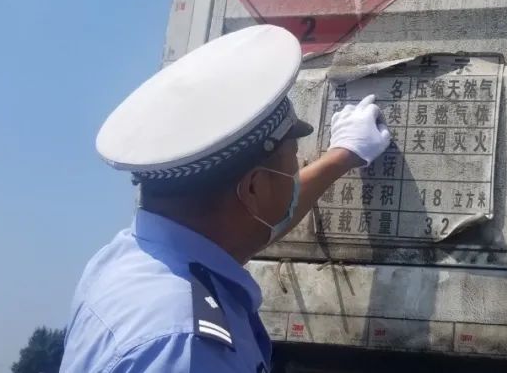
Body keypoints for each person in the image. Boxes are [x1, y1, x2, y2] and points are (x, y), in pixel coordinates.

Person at [60, 25, 392, 372]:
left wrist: (343, 156)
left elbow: (250, 221)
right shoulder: (189, 349)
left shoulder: (131, 259)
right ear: (253, 188)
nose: (297, 170)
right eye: (294, 156)